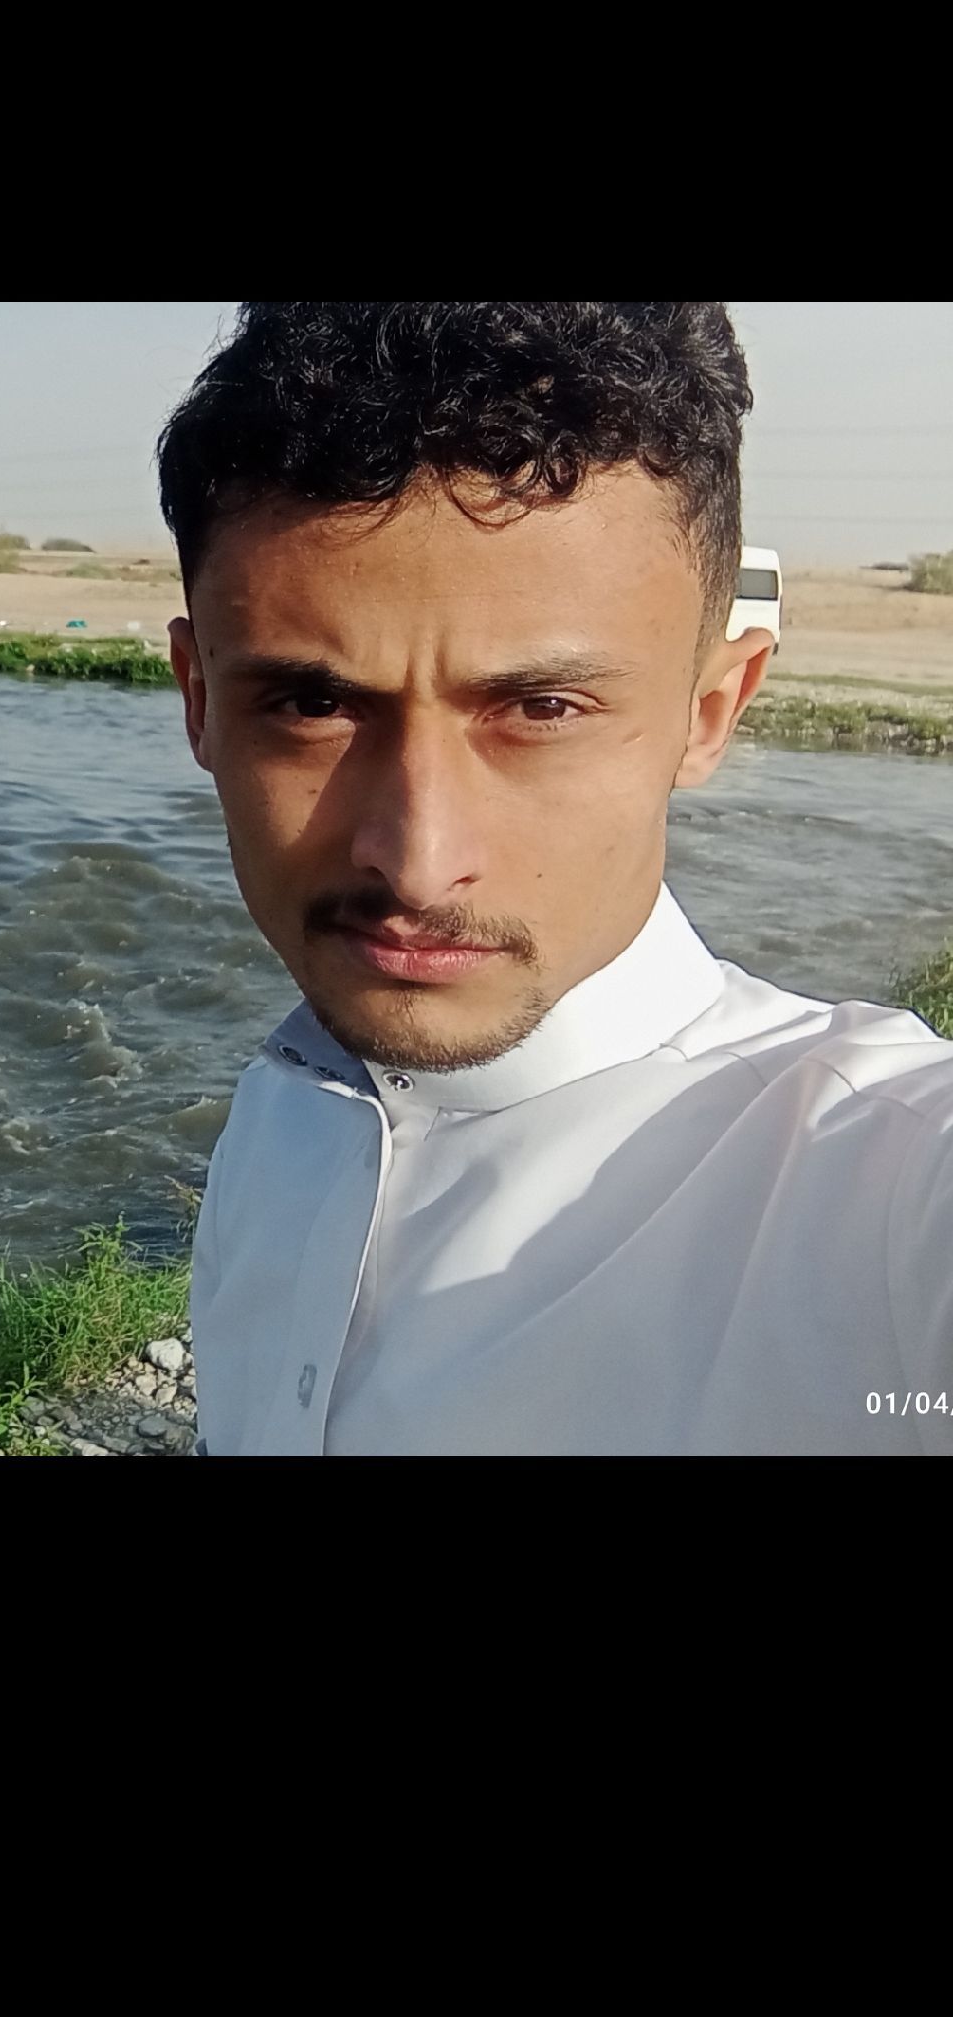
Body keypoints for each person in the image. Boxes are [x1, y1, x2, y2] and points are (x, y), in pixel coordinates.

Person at [158, 302, 953, 1457]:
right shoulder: (286, 1103)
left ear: (710, 711)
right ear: (198, 700)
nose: (415, 859)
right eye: (313, 704)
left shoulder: (882, 1187)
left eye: (542, 708)